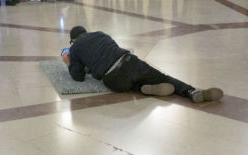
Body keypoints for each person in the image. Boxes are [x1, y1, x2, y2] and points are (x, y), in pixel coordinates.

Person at [61, 26, 224, 102]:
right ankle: (191, 92)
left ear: (73, 40)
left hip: (112, 78)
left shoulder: (75, 48)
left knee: (130, 84)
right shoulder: (100, 34)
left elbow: (78, 77)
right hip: (127, 60)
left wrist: (69, 62)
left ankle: (143, 90)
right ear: (86, 32)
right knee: (163, 77)